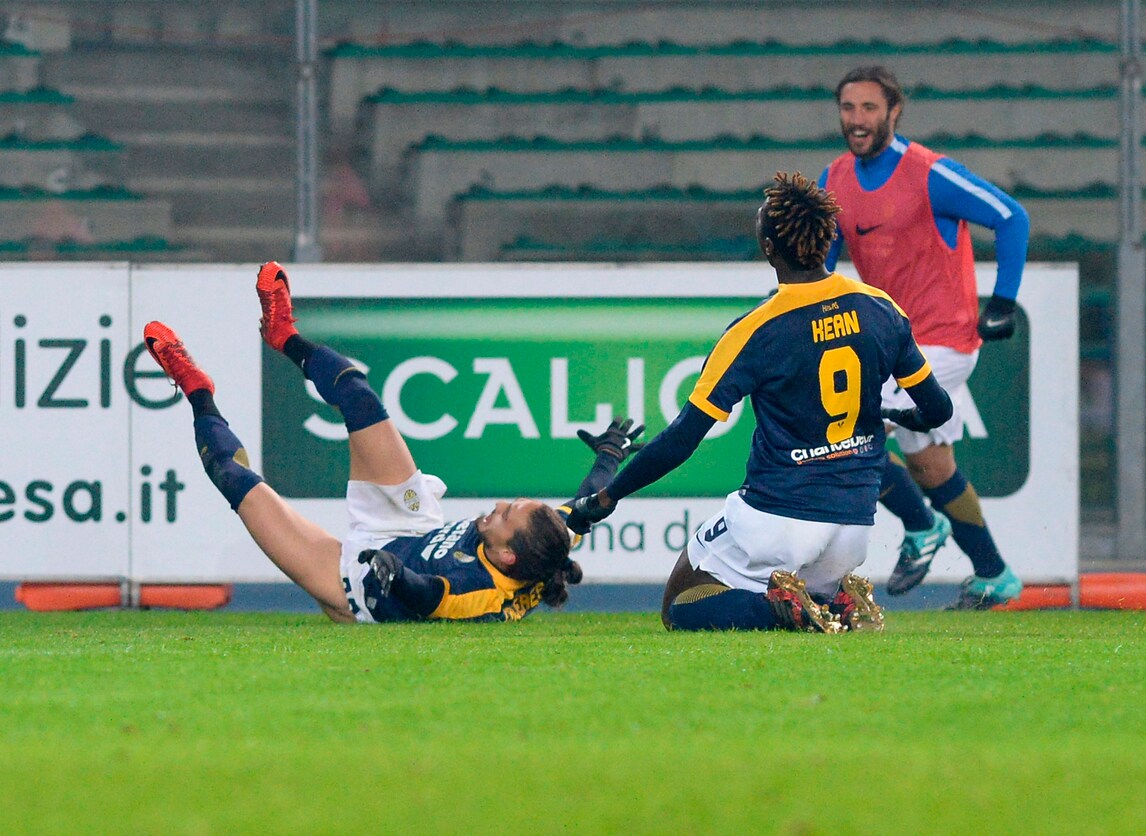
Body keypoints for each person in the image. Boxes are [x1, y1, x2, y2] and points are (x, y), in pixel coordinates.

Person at [143, 261, 643, 624]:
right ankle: (283, 333)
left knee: (235, 479)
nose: (499, 505)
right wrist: (609, 453)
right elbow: (587, 504)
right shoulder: (547, 541)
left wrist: (394, 573)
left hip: (357, 584)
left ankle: (196, 388)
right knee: (359, 397)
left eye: (506, 514)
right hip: (409, 522)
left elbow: (428, 596)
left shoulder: (483, 594)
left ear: (508, 557)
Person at [567, 172, 954, 633]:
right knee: (790, 582)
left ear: (770, 248)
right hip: (854, 528)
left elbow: (681, 441)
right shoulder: (880, 307)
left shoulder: (755, 330)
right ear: (827, 238)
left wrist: (608, 496)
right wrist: (902, 415)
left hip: (776, 519)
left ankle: (788, 610)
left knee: (681, 603)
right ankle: (834, 603)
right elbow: (939, 411)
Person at [818, 65, 1029, 609]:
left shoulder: (930, 172)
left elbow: (1011, 217)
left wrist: (1003, 300)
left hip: (943, 341)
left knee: (848, 431)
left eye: (869, 108)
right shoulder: (835, 178)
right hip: (892, 345)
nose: (857, 119)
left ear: (894, 111)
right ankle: (995, 575)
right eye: (848, 108)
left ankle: (920, 526)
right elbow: (822, 258)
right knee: (931, 466)